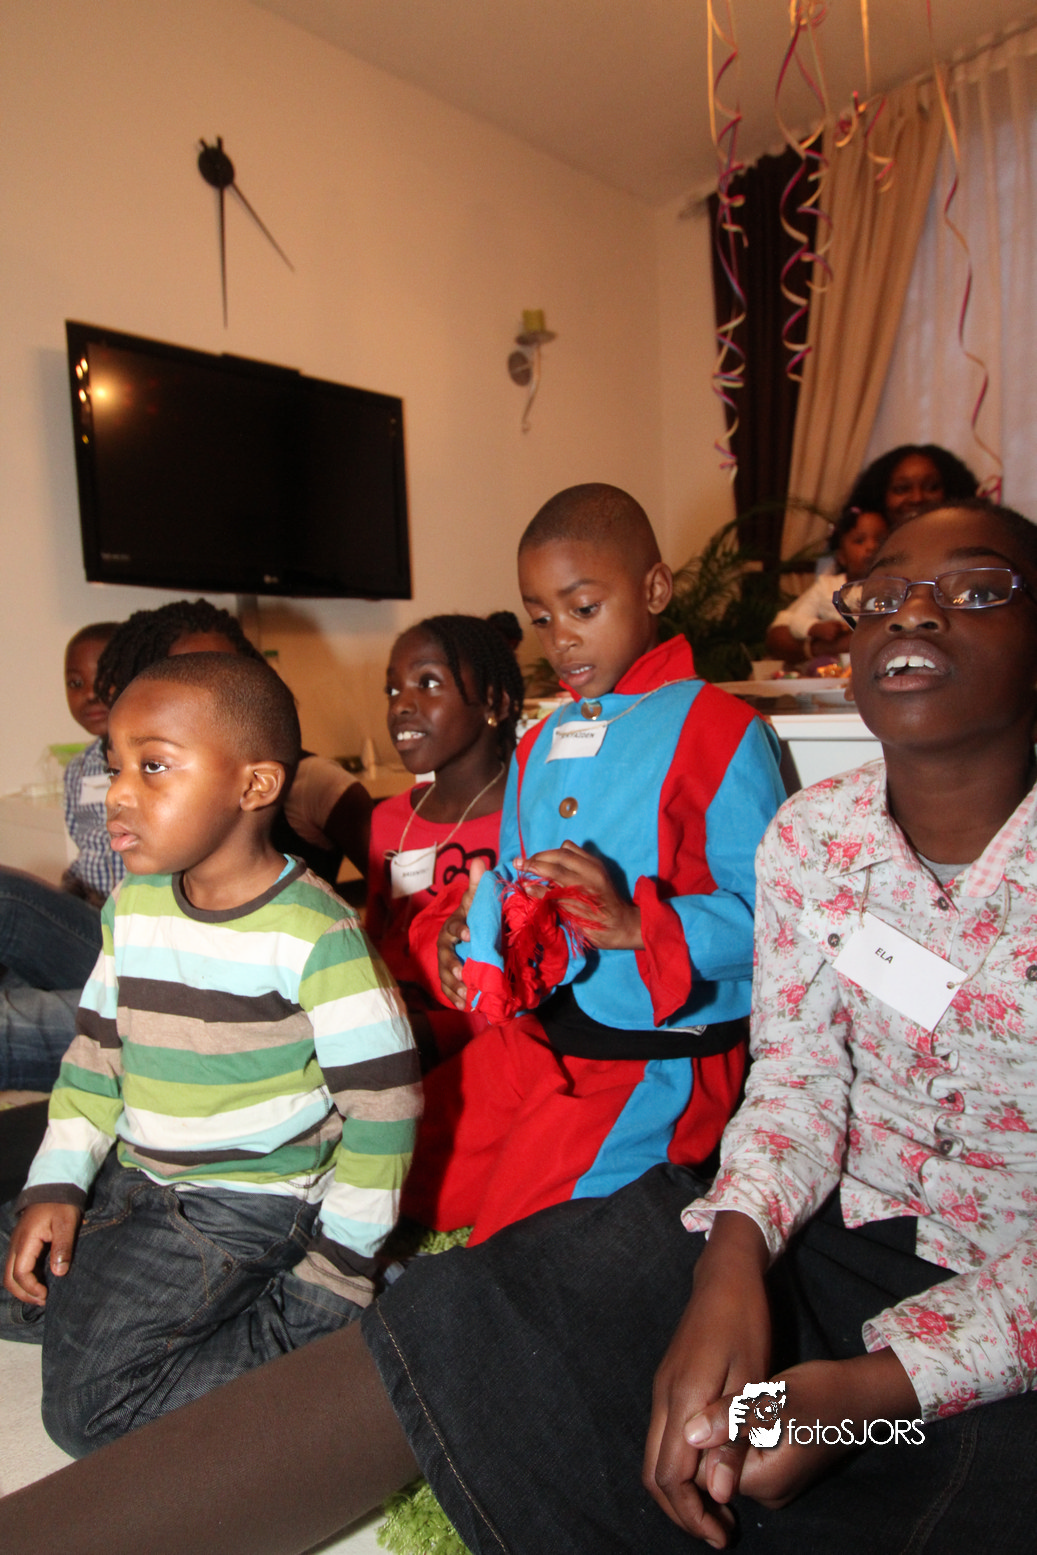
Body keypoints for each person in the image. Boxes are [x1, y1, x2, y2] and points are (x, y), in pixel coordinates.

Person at [6, 497, 1037, 1555]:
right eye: (884, 593)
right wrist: (478, 940)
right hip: (765, 1200)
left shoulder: (721, 734)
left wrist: (860, 1394)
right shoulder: (813, 836)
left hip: (894, 1248)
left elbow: (743, 979)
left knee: (766, 1443)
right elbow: (798, 1078)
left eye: (974, 589)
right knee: (453, 1254)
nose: (915, 613)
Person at [0, 652, 420, 1457]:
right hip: (137, 1175)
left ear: (254, 785)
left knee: (88, 1411)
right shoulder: (133, 904)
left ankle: (326, 1333)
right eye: (116, 766)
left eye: (154, 766)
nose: (119, 793)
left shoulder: (315, 935)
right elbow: (96, 1055)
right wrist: (58, 1183)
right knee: (29, 1280)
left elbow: (385, 1109)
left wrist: (338, 1269)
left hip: (243, 1204)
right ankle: (146, 1305)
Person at [401, 483, 786, 1245]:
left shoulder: (723, 730)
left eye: (582, 608)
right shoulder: (537, 742)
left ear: (654, 589)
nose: (560, 641)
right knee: (393, 1164)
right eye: (541, 618)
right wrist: (466, 934)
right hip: (540, 1034)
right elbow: (514, 884)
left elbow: (780, 923)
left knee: (521, 1243)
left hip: (654, 1056)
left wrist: (639, 924)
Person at [95, 597, 372, 883]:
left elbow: (393, 893)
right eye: (187, 673)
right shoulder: (135, 884)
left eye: (227, 671)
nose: (117, 793)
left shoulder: (315, 783)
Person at [366, 615, 525, 1064]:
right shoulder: (388, 819)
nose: (401, 705)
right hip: (391, 1022)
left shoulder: (529, 814)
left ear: (494, 700)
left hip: (484, 1033)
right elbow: (375, 940)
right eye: (393, 689)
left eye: (428, 682)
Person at [0, 622, 121, 1091]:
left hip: (122, 929)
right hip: (84, 908)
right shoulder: (78, 771)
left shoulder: (159, 760)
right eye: (75, 682)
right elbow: (81, 843)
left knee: (6, 896)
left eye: (104, 677)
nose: (89, 694)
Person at [766, 508, 887, 667]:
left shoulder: (890, 589)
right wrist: (815, 628)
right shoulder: (826, 586)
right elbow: (796, 620)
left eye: (881, 541)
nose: (872, 546)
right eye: (859, 541)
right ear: (841, 557)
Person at [845, 443, 978, 529]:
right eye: (902, 489)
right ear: (879, 496)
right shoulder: (863, 557)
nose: (917, 498)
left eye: (931, 487)